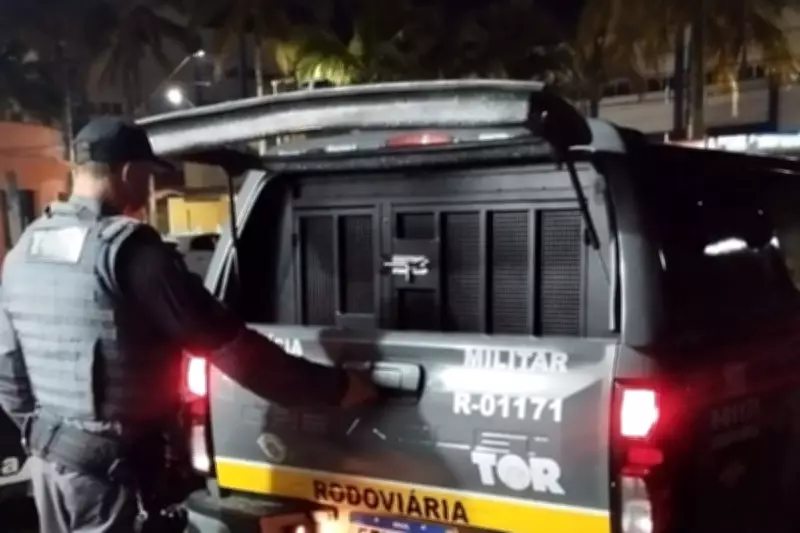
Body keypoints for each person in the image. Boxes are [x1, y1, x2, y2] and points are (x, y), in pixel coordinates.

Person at [0, 117, 378, 533]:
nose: (149, 188)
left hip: (52, 469)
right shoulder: (129, 253)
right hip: (111, 479)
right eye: (148, 176)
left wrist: (60, 441)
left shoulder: (24, 250)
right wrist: (334, 388)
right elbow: (229, 347)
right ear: (129, 173)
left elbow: (8, 374)